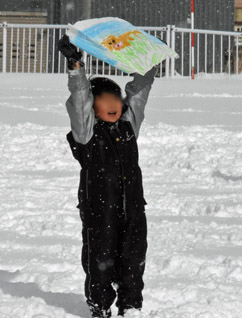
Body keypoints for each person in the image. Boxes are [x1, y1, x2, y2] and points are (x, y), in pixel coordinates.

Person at [58, 35, 156, 317]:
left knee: (134, 258)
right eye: (104, 97)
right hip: (100, 209)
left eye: (116, 96)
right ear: (93, 106)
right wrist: (76, 68)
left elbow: (139, 94)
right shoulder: (87, 134)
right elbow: (79, 101)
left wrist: (147, 65)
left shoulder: (128, 126)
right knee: (100, 260)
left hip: (133, 209)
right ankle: (100, 306)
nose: (113, 102)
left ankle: (131, 305)